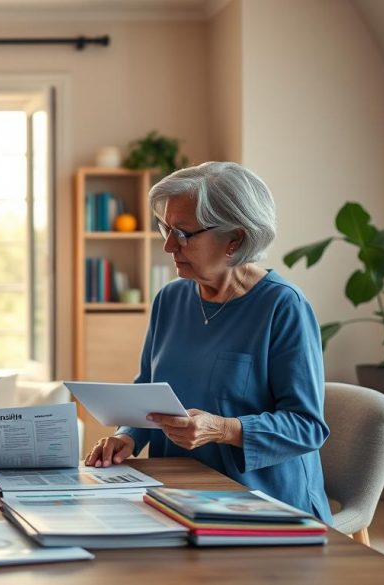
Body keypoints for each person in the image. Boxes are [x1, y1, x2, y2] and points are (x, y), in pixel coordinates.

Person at [84, 161, 333, 524]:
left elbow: (307, 426)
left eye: (183, 233)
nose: (169, 245)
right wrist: (129, 436)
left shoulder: (283, 306)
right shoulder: (170, 298)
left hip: (261, 500)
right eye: (165, 229)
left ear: (236, 238)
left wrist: (223, 428)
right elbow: (148, 390)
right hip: (174, 492)